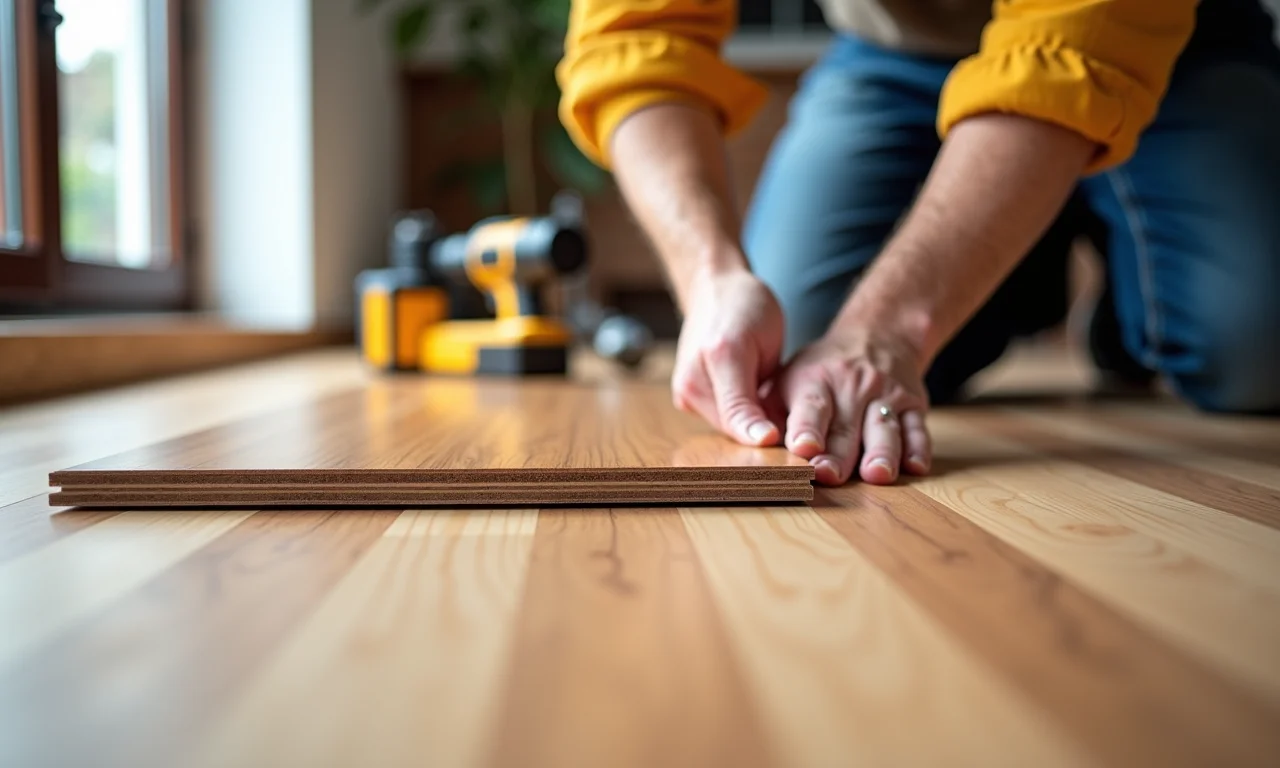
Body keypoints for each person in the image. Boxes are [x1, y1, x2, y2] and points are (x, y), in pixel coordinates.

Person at [556, 0, 1280, 487]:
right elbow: (634, 40)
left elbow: (1081, 38)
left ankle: (1125, 313)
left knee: (1257, 350)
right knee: (798, 345)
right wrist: (710, 278)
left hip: (1163, 40)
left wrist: (886, 332)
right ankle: (1016, 263)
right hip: (896, 58)